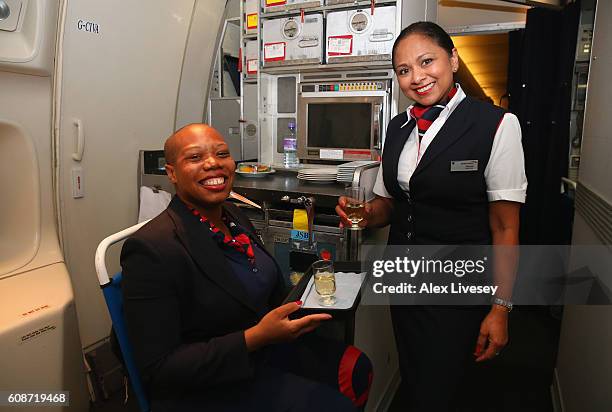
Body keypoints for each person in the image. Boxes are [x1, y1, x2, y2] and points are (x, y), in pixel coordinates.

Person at [336, 22, 527, 411]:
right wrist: (364, 215)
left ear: (453, 59)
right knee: (415, 374)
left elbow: (505, 226)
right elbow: (391, 206)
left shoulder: (495, 125)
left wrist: (501, 308)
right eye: (404, 70)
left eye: (427, 62)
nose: (417, 77)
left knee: (443, 388)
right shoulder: (397, 128)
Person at [121, 124, 371, 411]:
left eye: (222, 154)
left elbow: (267, 289)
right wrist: (256, 337)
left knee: (357, 368)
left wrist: (316, 299)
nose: (212, 163)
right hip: (209, 382)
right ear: (172, 173)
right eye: (194, 157)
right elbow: (161, 368)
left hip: (261, 350)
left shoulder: (233, 215)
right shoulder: (151, 250)